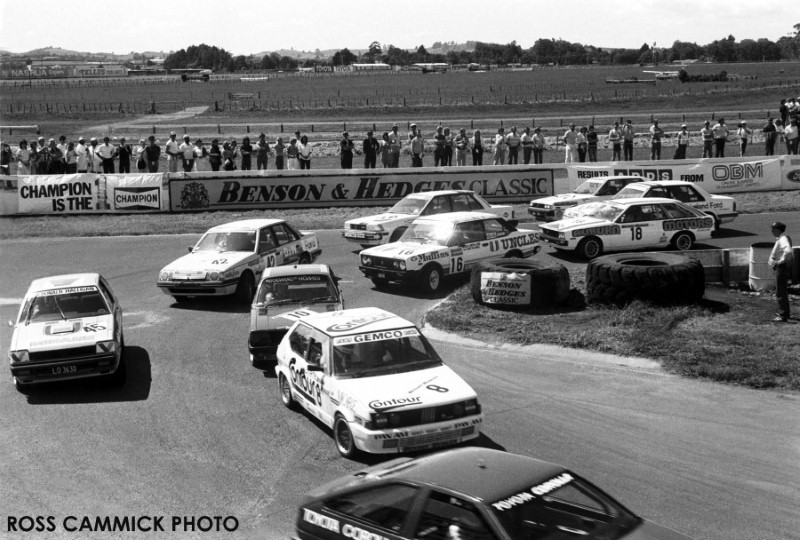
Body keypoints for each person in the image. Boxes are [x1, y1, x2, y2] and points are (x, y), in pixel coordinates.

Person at [768, 221, 793, 322]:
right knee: (781, 291)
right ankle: (784, 312)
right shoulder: (782, 238)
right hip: (781, 268)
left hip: (781, 268)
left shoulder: (782, 239)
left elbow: (788, 252)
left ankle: (783, 315)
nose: (771, 231)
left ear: (778, 230)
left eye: (773, 229)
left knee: (780, 292)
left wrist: (780, 262)